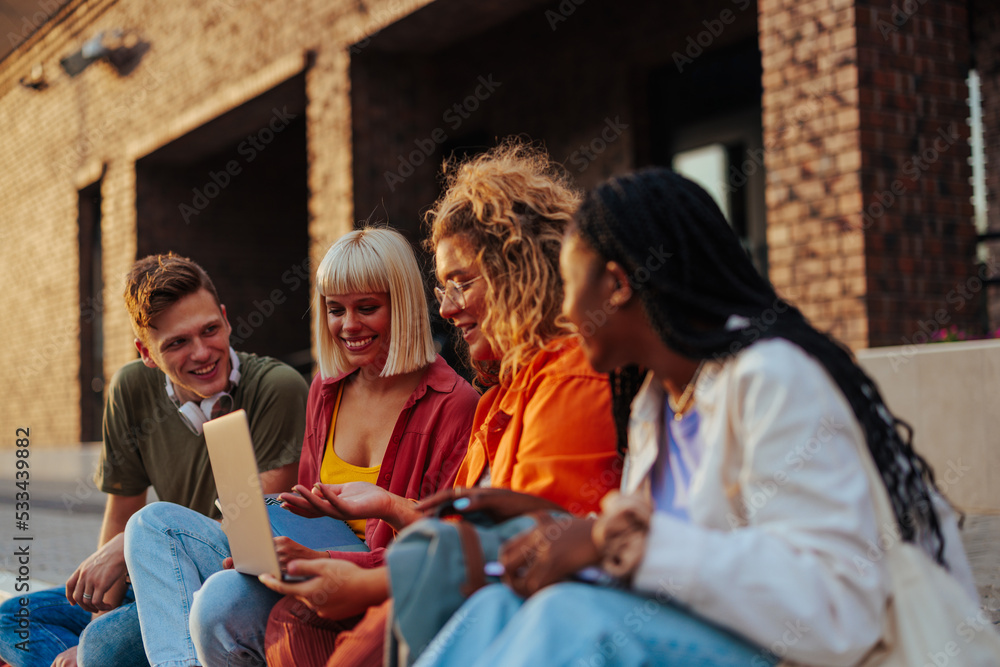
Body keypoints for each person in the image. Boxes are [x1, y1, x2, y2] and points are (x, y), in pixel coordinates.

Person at [412, 168, 980, 667]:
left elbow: (839, 609)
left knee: (570, 618)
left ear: (615, 284)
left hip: (801, 654)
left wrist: (618, 541)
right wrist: (552, 522)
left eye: (571, 281)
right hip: (709, 636)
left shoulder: (769, 378)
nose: (562, 307)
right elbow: (673, 569)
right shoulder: (653, 406)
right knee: (497, 605)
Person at [258, 142, 623, 666]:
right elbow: (458, 538)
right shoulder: (503, 396)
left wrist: (365, 579)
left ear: (516, 271)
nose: (447, 309)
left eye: (460, 284)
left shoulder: (566, 381)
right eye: (442, 288)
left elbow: (527, 550)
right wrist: (346, 544)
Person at [122, 227, 479, 667]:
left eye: (367, 307)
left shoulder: (455, 404)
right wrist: (263, 528)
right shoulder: (327, 390)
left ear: (403, 305)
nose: (348, 326)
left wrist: (321, 556)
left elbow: (439, 548)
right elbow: (306, 508)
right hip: (308, 556)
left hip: (371, 578)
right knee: (150, 524)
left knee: (217, 601)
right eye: (335, 310)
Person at [0, 254, 308, 667]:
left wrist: (126, 548)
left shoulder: (277, 388)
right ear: (146, 352)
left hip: (229, 579)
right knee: (13, 620)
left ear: (226, 319)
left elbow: (256, 530)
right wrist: (99, 615)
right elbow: (121, 510)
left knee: (101, 650)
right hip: (152, 572)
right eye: (177, 343)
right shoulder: (131, 388)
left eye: (210, 330)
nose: (202, 352)